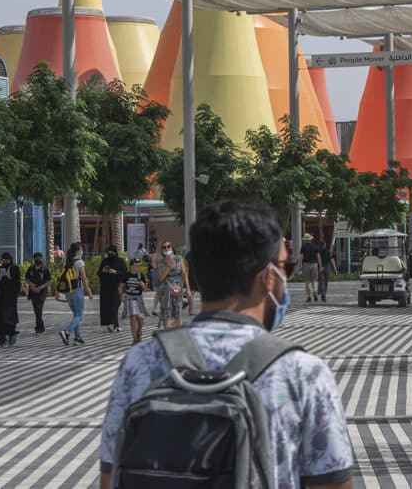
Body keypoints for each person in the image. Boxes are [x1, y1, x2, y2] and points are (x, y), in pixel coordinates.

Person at [99, 198, 354, 489]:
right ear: (269, 277)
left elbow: (109, 479)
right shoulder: (302, 373)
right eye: (287, 267)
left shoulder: (139, 364)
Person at [59, 242, 93, 346]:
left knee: (76, 315)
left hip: (68, 292)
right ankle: (67, 331)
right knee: (79, 315)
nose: (82, 251)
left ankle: (77, 337)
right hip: (78, 290)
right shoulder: (79, 262)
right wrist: (89, 291)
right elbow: (84, 278)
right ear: (78, 251)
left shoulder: (68, 262)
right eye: (81, 249)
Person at [0, 251, 22, 346]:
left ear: (10, 260)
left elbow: (17, 283)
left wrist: (9, 277)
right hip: (2, 297)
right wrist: (0, 278)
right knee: (1, 317)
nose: (5, 262)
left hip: (11, 298)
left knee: (9, 317)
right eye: (3, 260)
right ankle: (3, 339)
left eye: (6, 260)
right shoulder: (1, 268)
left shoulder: (15, 268)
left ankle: (11, 335)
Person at [157, 240, 193, 328]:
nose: (166, 248)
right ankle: (167, 334)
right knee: (166, 314)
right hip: (166, 289)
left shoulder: (178, 258)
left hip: (178, 287)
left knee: (178, 313)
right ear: (162, 250)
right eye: (164, 247)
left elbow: (184, 274)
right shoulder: (161, 261)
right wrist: (168, 267)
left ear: (171, 247)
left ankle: (178, 333)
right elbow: (161, 278)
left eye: (168, 246)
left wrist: (188, 289)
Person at [119, 257, 148, 344]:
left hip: (138, 299)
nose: (138, 267)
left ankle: (139, 331)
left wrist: (143, 285)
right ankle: (134, 339)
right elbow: (121, 287)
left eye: (139, 266)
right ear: (131, 266)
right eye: (136, 265)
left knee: (140, 320)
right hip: (129, 299)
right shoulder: (126, 275)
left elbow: (146, 290)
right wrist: (121, 295)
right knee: (133, 317)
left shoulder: (141, 275)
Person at [98, 244, 126, 332]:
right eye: (109, 253)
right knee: (109, 306)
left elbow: (125, 273)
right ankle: (113, 324)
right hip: (106, 288)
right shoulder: (105, 261)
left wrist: (116, 272)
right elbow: (99, 273)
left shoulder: (120, 261)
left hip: (117, 287)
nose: (110, 254)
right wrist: (103, 271)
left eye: (112, 253)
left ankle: (114, 324)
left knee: (115, 305)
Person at [25, 252, 51, 334]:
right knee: (36, 310)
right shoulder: (31, 269)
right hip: (33, 292)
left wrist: (40, 288)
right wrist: (31, 285)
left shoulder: (45, 269)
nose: (38, 260)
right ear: (34, 259)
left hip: (42, 292)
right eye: (36, 258)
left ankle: (39, 328)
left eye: (39, 258)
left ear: (42, 259)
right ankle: (40, 327)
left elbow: (48, 281)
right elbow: (26, 278)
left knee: (39, 308)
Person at [299, 232, 321, 302]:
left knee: (307, 282)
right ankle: (315, 292)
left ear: (305, 240)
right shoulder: (315, 247)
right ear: (311, 239)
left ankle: (309, 297)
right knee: (314, 281)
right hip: (314, 265)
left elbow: (301, 257)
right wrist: (320, 266)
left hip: (306, 265)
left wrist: (300, 265)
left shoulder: (303, 247)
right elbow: (318, 257)